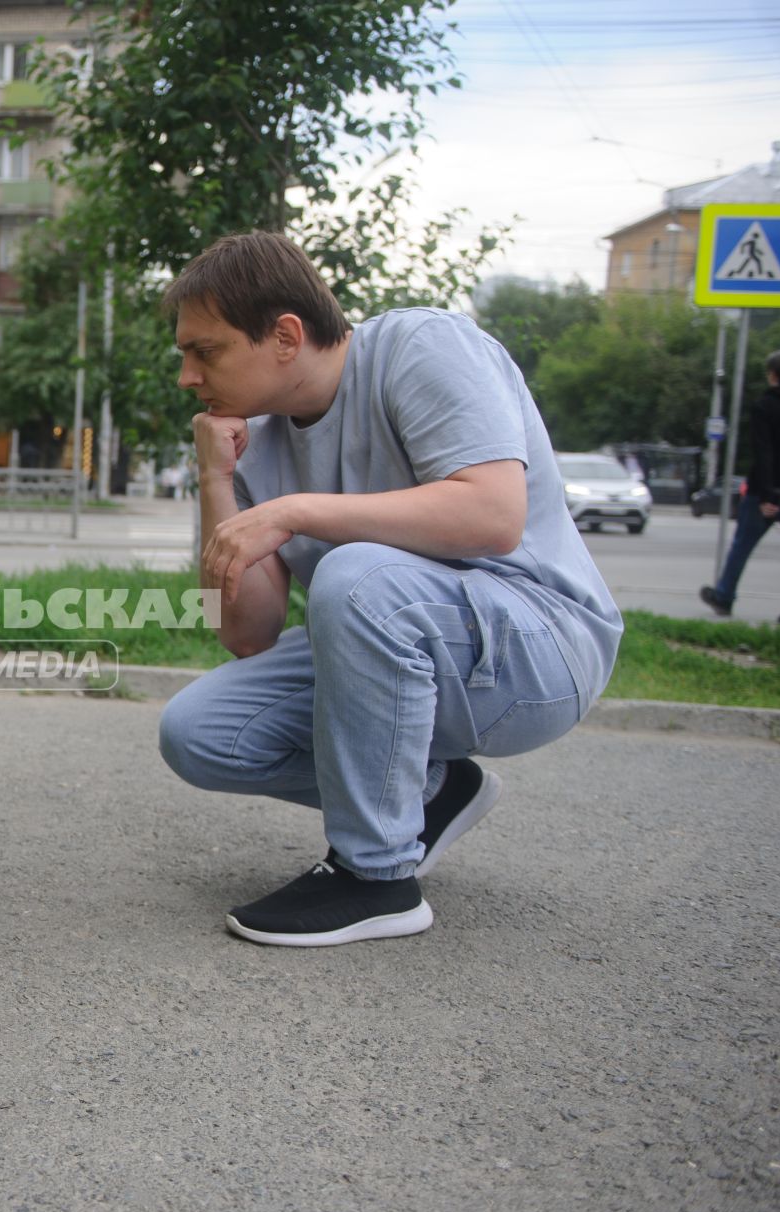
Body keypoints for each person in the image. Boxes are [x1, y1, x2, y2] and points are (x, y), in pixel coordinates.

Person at [155, 232, 623, 947]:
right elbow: (247, 631)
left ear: (285, 335)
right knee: (199, 734)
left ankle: (376, 878)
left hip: (541, 646)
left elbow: (493, 516)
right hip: (410, 648)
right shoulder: (254, 442)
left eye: (205, 351)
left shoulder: (420, 346)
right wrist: (219, 481)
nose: (187, 376)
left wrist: (295, 511)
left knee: (355, 572)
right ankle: (432, 794)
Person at [698, 349, 780, 625]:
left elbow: (764, 452)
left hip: (764, 491)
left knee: (742, 544)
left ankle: (724, 595)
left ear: (773, 375)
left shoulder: (765, 406)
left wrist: (768, 494)